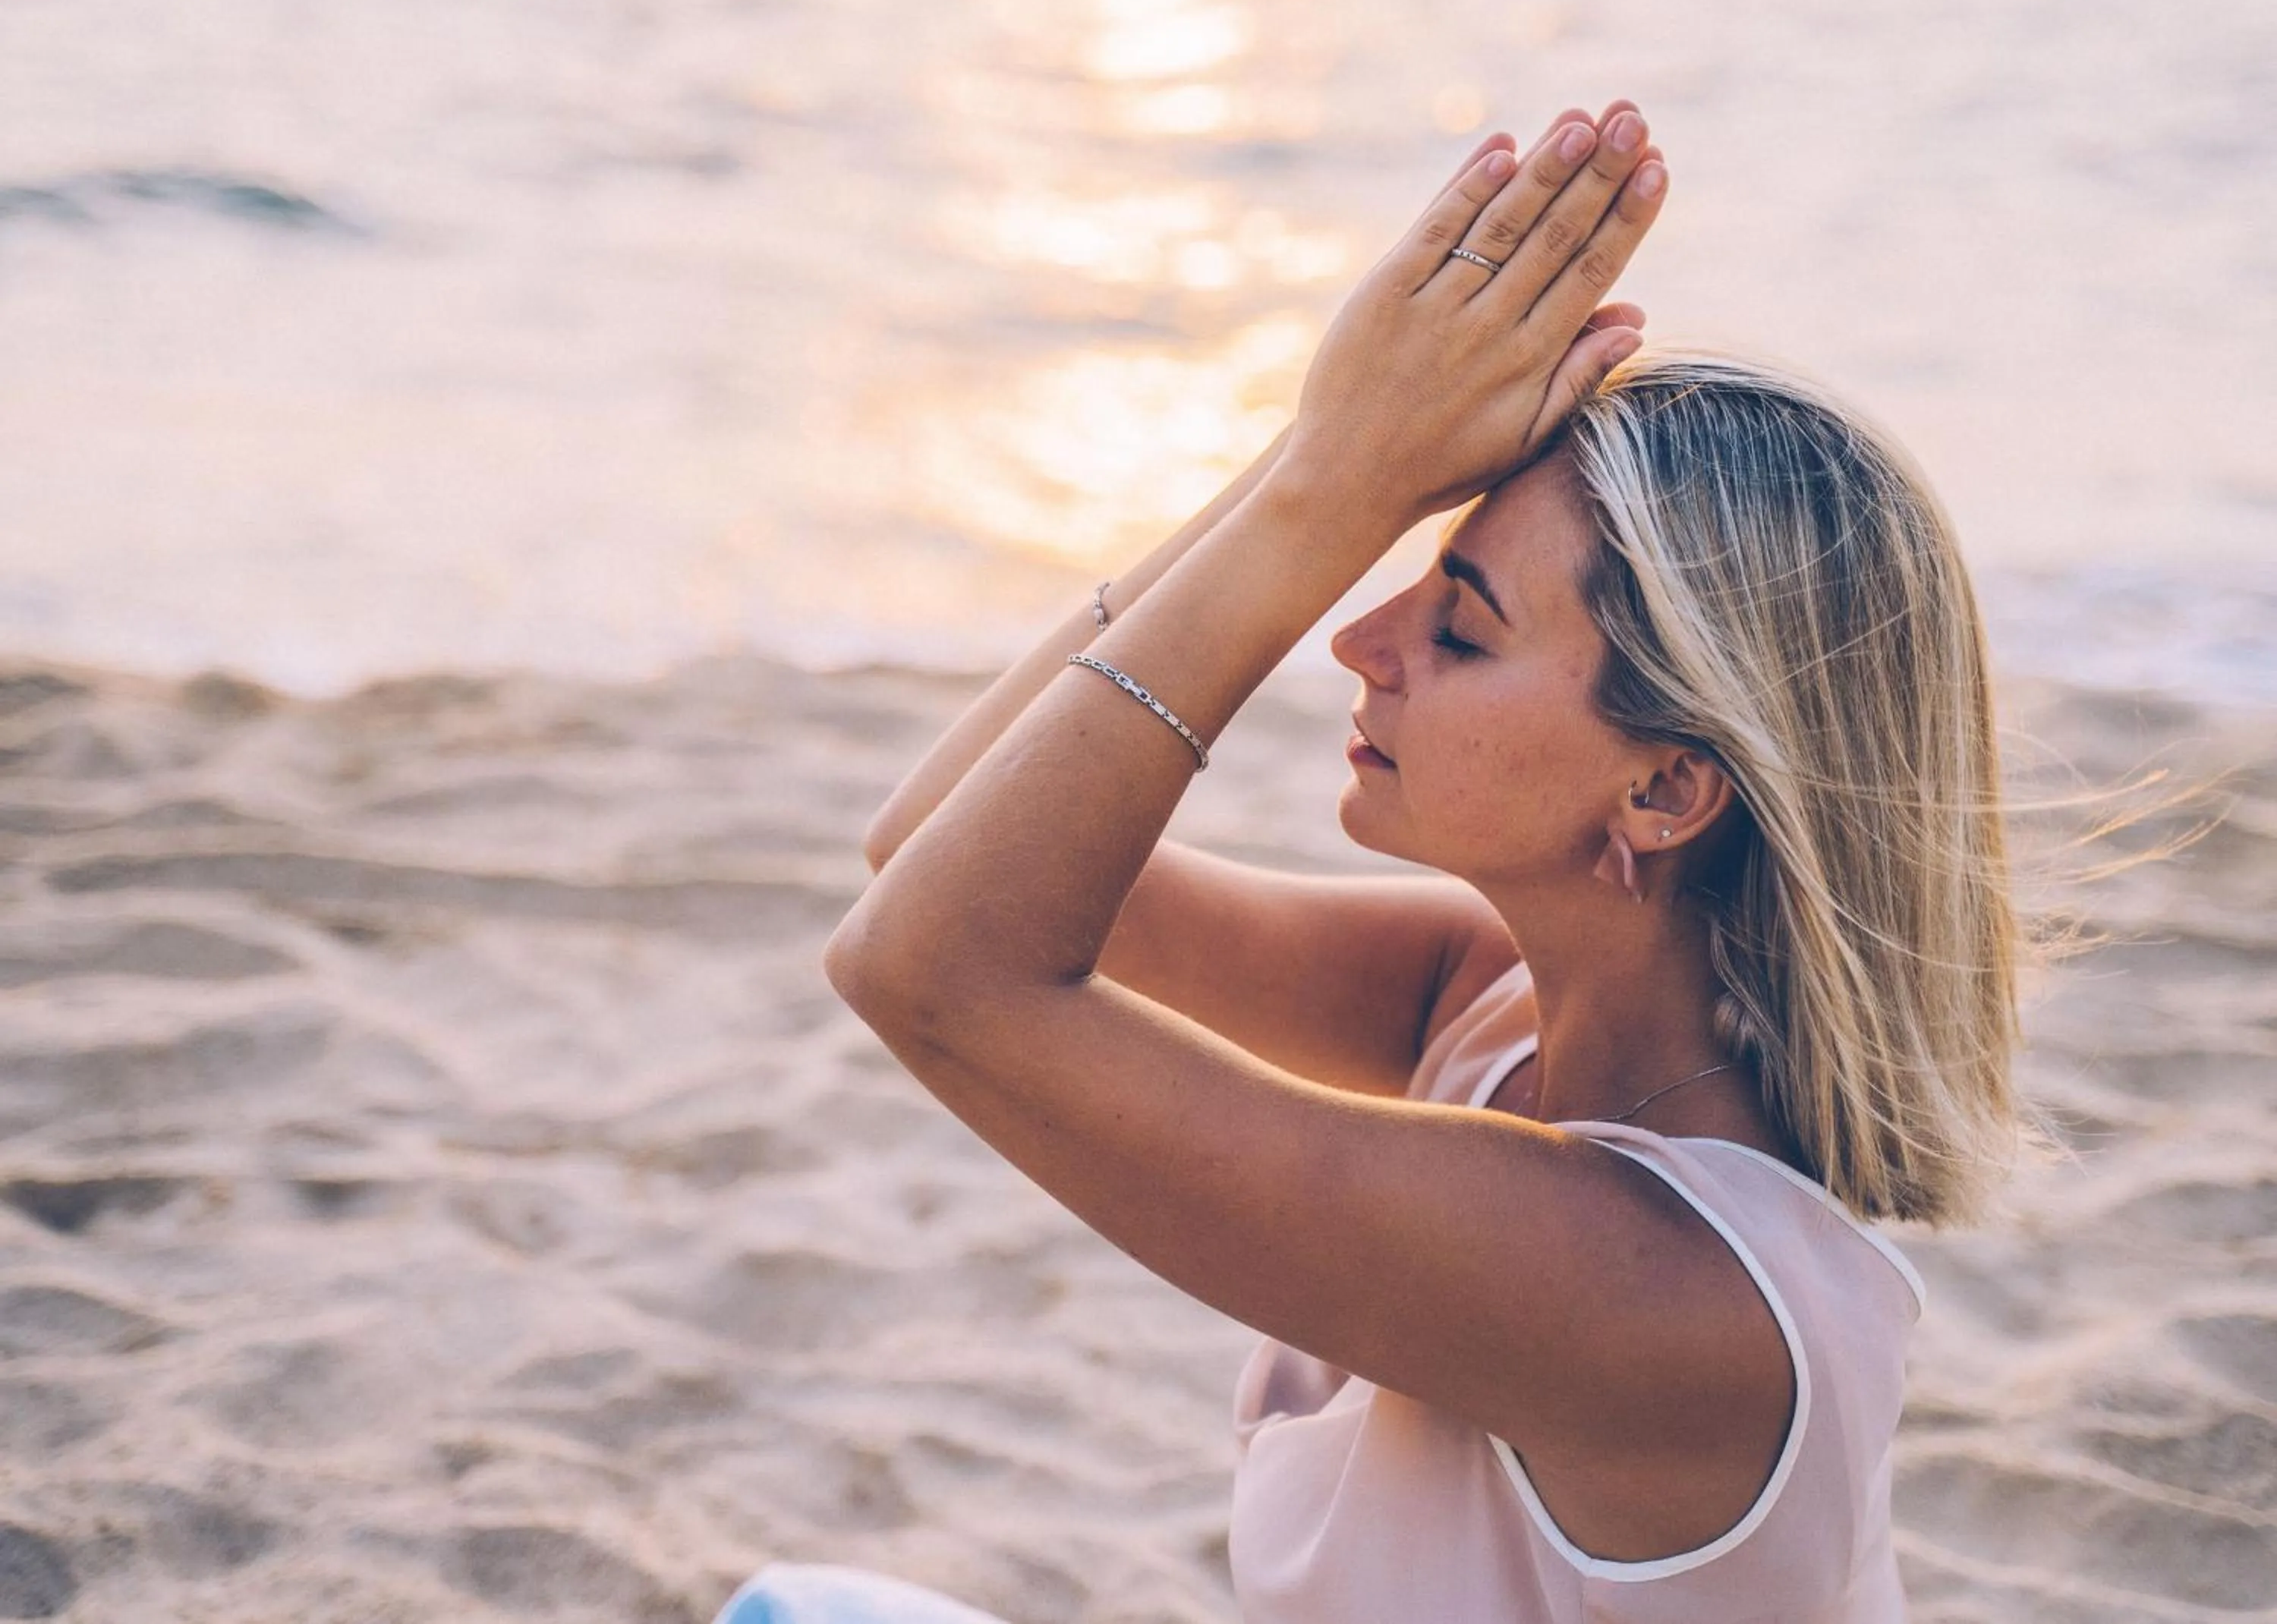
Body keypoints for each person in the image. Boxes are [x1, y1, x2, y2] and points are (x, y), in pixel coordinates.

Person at [720, 96, 2021, 1622]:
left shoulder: (1660, 1294)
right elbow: (936, 849)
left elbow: (931, 968)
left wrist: (1324, 493)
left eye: (1461, 628)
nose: (1361, 636)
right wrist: (1333, 457)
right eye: (1400, 572)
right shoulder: (1486, 1011)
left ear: (1667, 789)